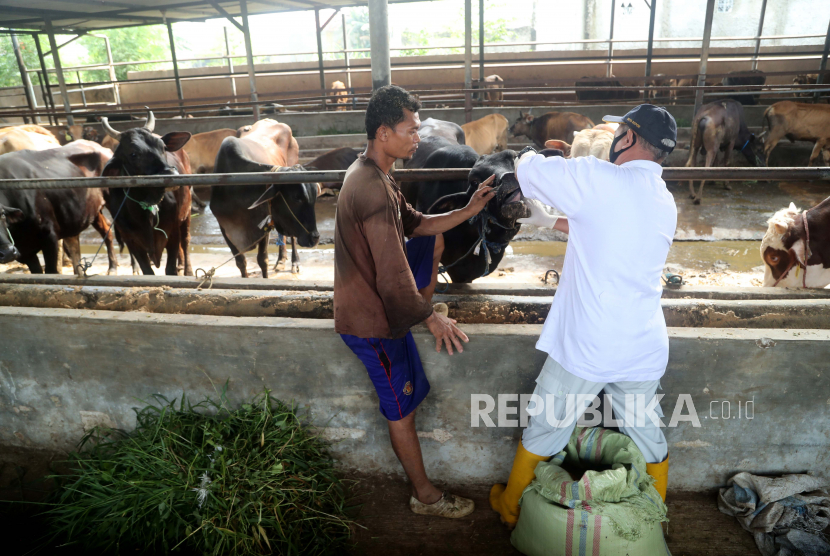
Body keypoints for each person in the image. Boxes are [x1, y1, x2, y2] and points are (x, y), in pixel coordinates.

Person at [490, 104, 678, 528]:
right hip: (642, 344)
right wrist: (552, 220)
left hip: (588, 343)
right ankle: (657, 514)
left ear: (627, 137)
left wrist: (527, 157)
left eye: (618, 135)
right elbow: (606, 227)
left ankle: (510, 508)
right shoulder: (663, 200)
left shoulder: (599, 177)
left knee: (547, 425)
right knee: (646, 432)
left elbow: (528, 168)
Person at [335, 85, 496, 518]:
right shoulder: (370, 188)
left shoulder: (375, 172)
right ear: (384, 132)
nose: (417, 138)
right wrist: (431, 319)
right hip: (370, 323)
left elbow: (420, 224)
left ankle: (420, 309)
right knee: (400, 410)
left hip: (382, 303)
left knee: (433, 239)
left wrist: (471, 206)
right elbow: (391, 274)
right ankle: (425, 496)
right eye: (410, 130)